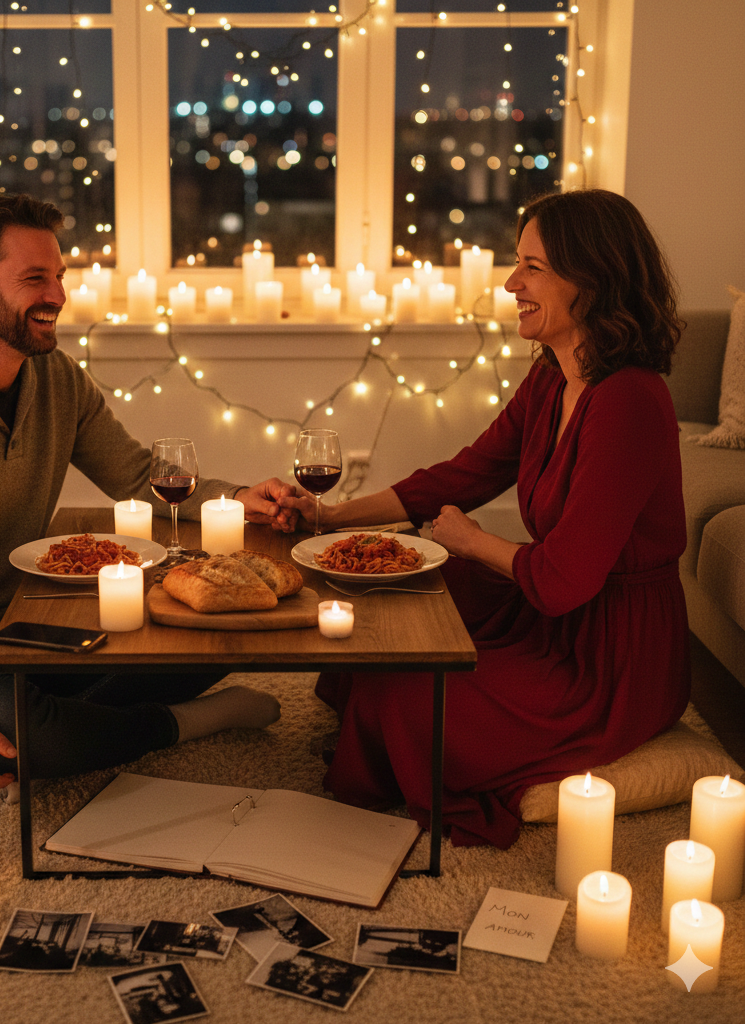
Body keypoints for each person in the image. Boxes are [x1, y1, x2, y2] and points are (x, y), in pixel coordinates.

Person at [0, 193, 297, 795]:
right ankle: (186, 722)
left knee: (218, 636)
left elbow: (135, 474)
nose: (57, 295)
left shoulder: (56, 377)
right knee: (26, 736)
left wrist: (238, 495)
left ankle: (71, 722)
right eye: (35, 278)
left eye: (59, 276)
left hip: (21, 618)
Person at [282, 189, 690, 848]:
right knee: (392, 599)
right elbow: (464, 475)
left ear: (591, 279)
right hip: (550, 612)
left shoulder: (630, 402)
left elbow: (562, 581)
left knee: (410, 695)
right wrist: (330, 517)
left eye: (533, 267)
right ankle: (386, 729)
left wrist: (471, 543)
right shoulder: (552, 378)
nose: (511, 284)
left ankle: (397, 739)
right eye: (516, 263)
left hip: (612, 659)